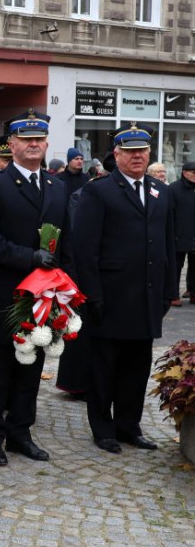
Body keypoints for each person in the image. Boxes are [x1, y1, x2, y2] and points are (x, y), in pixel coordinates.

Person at [0, 110, 68, 466]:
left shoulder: (58, 187)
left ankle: (20, 433)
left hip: (44, 296)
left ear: (46, 143)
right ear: (10, 145)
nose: (33, 145)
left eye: (39, 139)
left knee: (32, 368)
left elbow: (66, 240)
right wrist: (30, 257)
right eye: (26, 139)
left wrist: (64, 287)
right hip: (4, 293)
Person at [74, 124, 177, 454]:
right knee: (105, 368)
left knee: (136, 367)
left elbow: (167, 246)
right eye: (130, 151)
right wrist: (92, 295)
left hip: (147, 296)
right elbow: (85, 249)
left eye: (143, 151)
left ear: (149, 154)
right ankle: (103, 429)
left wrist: (168, 290)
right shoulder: (99, 191)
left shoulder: (160, 193)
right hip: (111, 296)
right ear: (116, 154)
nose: (138, 156)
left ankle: (128, 425)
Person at [169, 162, 195, 304]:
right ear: (185, 173)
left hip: (193, 233)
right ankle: (173, 294)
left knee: (194, 267)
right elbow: (170, 213)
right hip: (178, 233)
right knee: (175, 266)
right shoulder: (173, 189)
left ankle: (192, 291)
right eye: (193, 173)